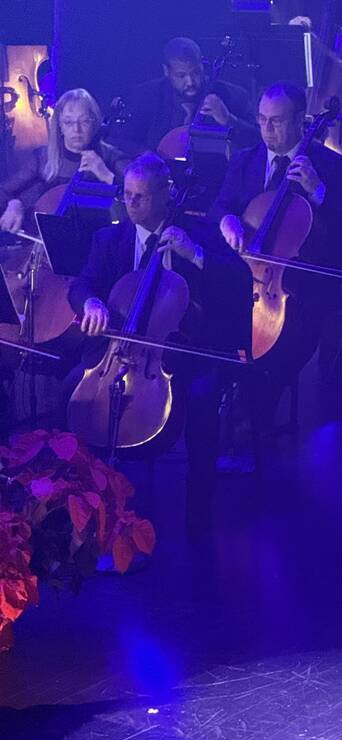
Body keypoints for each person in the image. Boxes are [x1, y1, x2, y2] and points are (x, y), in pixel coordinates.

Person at [68, 153, 252, 534]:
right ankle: (85, 508)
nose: (131, 203)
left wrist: (194, 254)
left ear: (166, 195)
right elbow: (81, 284)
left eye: (142, 196)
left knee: (202, 400)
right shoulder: (109, 239)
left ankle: (198, 511)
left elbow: (238, 279)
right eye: (127, 194)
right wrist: (90, 303)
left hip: (183, 354)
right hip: (118, 353)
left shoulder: (198, 233)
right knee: (73, 389)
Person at [211, 81, 342, 430]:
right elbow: (219, 206)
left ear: (299, 120)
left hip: (301, 289)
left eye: (277, 121)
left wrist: (318, 191)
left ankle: (256, 418)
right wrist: (227, 220)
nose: (267, 129)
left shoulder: (331, 167)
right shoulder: (244, 161)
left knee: (278, 352)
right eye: (262, 119)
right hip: (243, 280)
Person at [0, 89, 128, 233]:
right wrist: (14, 203)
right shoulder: (43, 157)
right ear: (59, 125)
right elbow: (5, 190)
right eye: (68, 122)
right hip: (47, 236)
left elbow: (139, 197)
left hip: (98, 237)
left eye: (84, 121)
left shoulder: (112, 156)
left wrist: (106, 175)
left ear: (95, 123)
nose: (76, 129)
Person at [118, 37, 257, 157]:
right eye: (181, 75)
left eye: (196, 72)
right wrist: (147, 155)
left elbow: (258, 140)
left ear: (202, 66)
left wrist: (228, 119)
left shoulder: (233, 95)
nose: (190, 82)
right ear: (166, 71)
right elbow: (121, 140)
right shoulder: (147, 95)